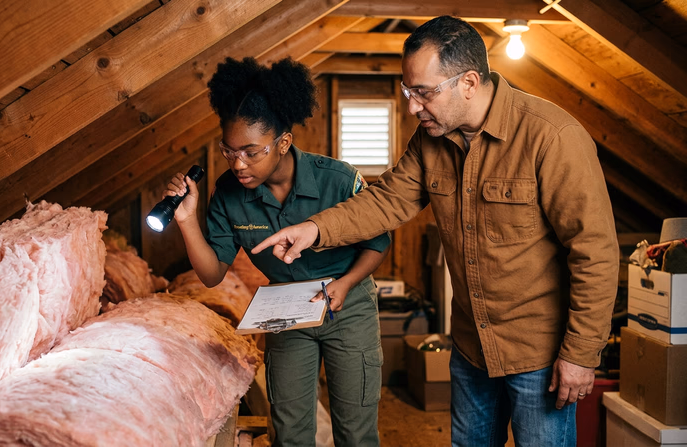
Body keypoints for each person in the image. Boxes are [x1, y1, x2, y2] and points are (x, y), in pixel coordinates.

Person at [252, 16, 619, 447]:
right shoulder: (431, 138)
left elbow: (594, 252)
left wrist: (580, 353)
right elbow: (386, 199)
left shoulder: (551, 137)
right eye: (409, 92)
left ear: (468, 82)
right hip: (469, 346)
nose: (412, 107)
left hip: (537, 353)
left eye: (423, 93)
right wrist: (315, 229)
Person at [162, 56, 390, 447]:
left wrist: (348, 283)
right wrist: (186, 220)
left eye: (252, 152)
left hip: (346, 305)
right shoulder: (228, 194)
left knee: (355, 431)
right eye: (228, 151)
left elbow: (377, 242)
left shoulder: (337, 179)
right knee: (289, 432)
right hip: (286, 309)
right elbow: (212, 273)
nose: (238, 163)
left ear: (283, 142)